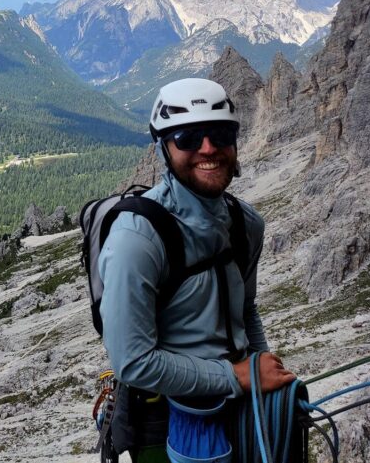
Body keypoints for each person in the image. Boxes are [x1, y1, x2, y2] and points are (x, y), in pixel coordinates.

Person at [98, 78, 296, 462]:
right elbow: (132, 361)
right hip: (166, 423)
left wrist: (261, 374)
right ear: (163, 149)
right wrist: (238, 377)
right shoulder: (137, 239)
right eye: (187, 138)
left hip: (241, 408)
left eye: (219, 133)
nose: (208, 149)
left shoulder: (245, 224)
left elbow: (246, 309)